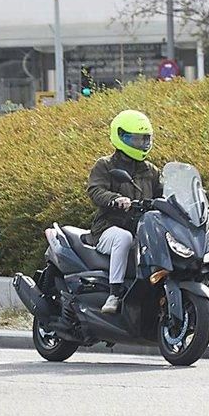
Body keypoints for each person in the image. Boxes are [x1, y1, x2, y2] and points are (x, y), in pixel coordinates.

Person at [85, 109, 162, 314]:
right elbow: (95, 190)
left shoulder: (151, 171)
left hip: (142, 228)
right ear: (120, 136)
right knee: (123, 238)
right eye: (135, 139)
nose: (141, 144)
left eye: (144, 139)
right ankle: (115, 293)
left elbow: (164, 194)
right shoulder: (105, 165)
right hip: (109, 228)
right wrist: (115, 199)